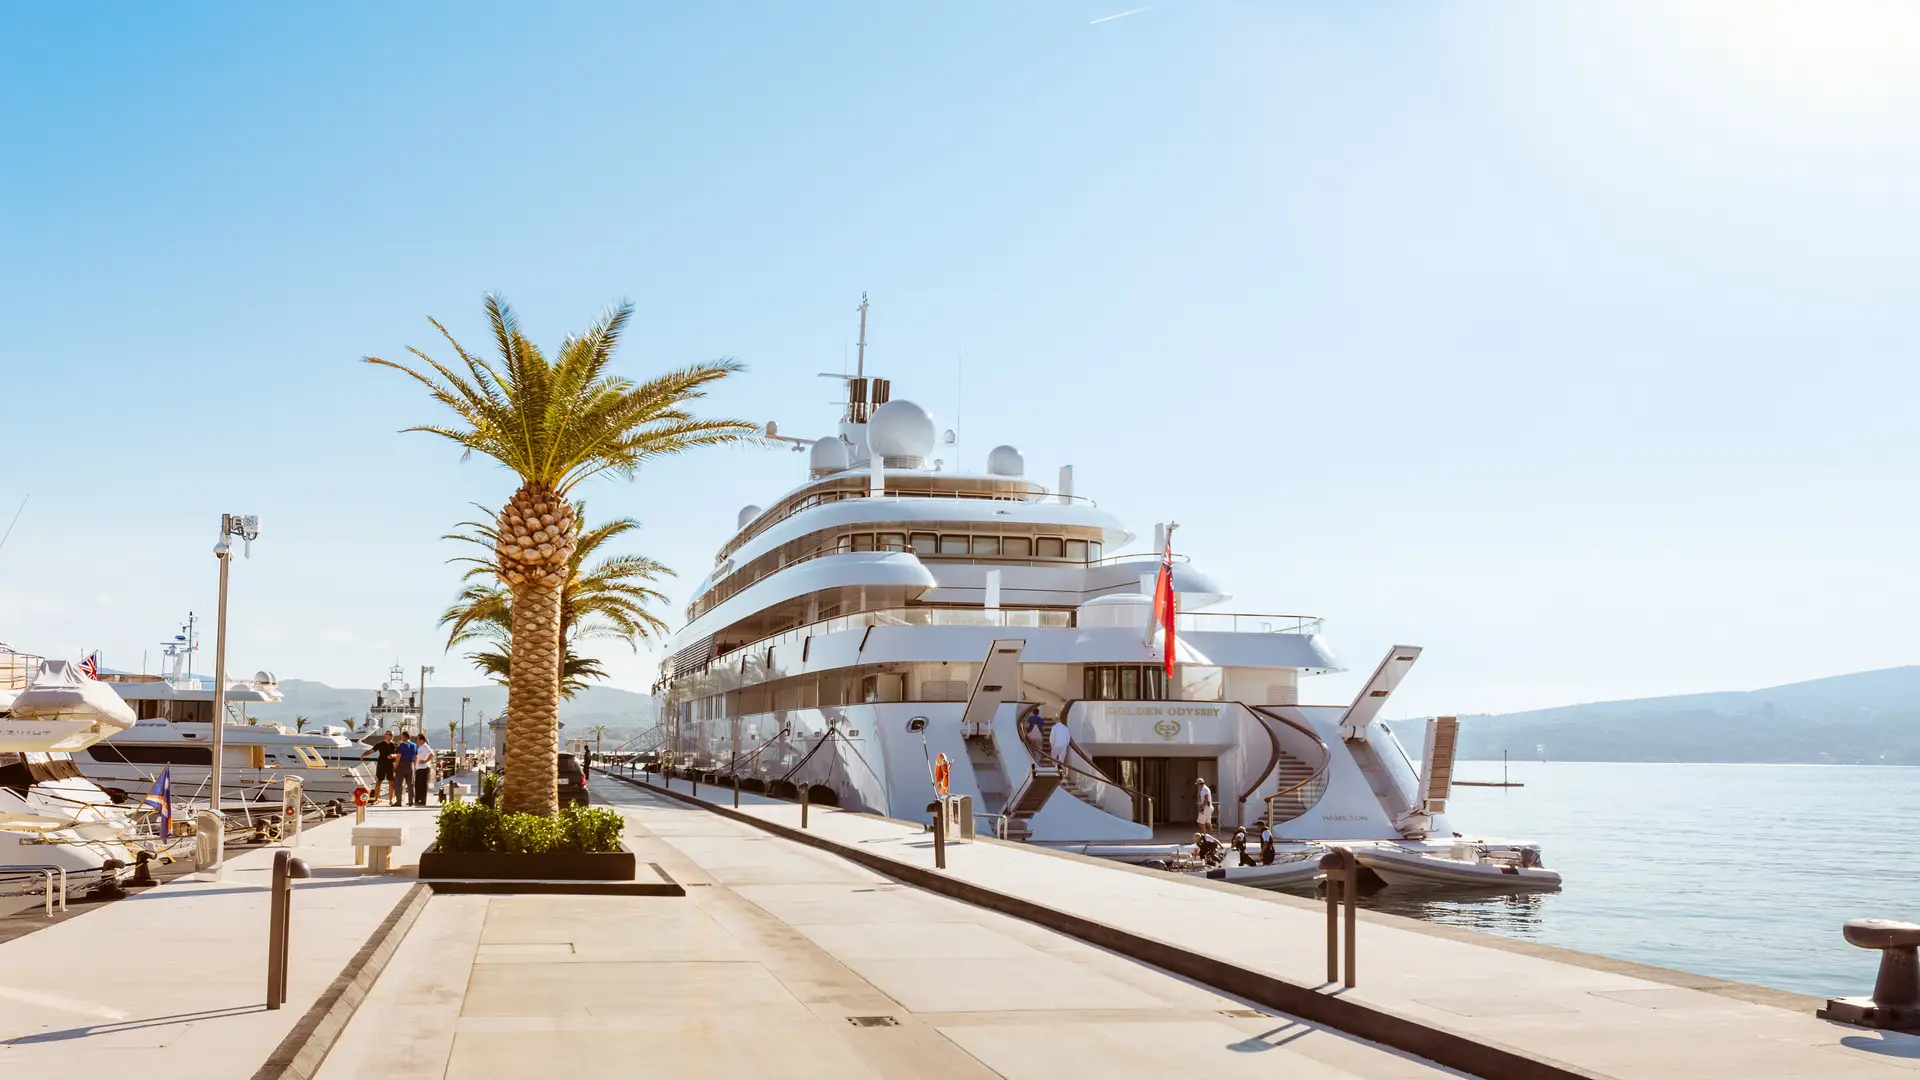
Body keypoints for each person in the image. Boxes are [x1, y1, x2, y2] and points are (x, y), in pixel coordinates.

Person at [361, 731, 398, 804]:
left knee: (391, 782)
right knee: (379, 781)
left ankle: (391, 800)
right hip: (381, 764)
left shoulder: (395, 744)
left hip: (391, 765)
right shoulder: (380, 744)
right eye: (390, 734)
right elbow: (372, 750)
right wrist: (364, 754)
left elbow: (398, 754)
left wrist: (393, 756)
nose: (392, 736)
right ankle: (376, 799)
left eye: (393, 735)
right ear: (386, 735)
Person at [393, 730, 418, 806]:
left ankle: (399, 801)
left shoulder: (403, 744)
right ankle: (411, 801)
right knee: (410, 784)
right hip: (410, 764)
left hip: (402, 764)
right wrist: (414, 765)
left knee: (398, 784)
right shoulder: (414, 745)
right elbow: (416, 757)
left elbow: (398, 757)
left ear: (403, 736)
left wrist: (395, 766)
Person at [410, 732, 434, 806]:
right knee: (417, 785)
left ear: (422, 740)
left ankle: (423, 800)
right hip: (419, 768)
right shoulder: (419, 747)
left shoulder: (425, 746)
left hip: (424, 768)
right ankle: (418, 799)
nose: (416, 740)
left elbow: (431, 754)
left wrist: (425, 761)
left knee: (422, 785)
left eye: (417, 739)